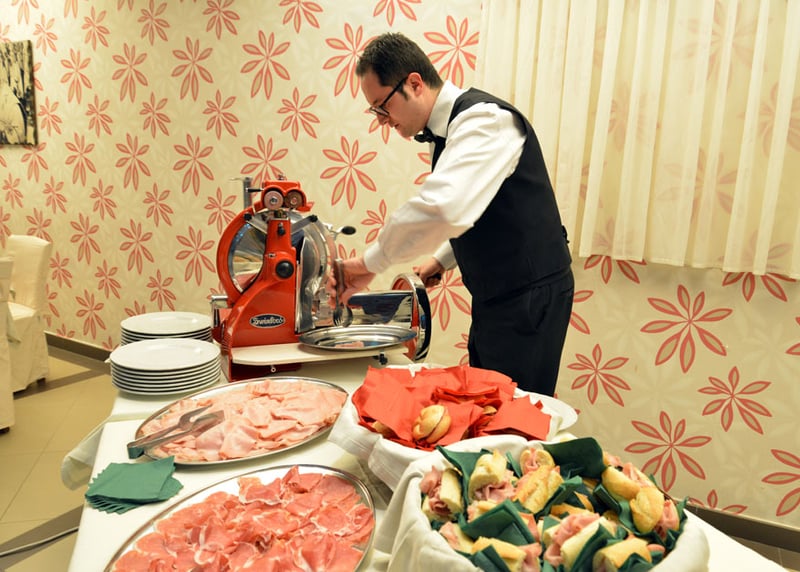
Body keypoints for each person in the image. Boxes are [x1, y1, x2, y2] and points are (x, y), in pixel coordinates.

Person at [331, 32, 574, 396]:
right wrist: (443, 259)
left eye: (382, 106)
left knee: (511, 409)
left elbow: (444, 207)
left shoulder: (485, 121)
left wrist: (370, 262)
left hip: (528, 294)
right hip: (497, 293)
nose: (381, 121)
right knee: (487, 396)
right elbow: (478, 207)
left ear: (414, 83)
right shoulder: (446, 132)